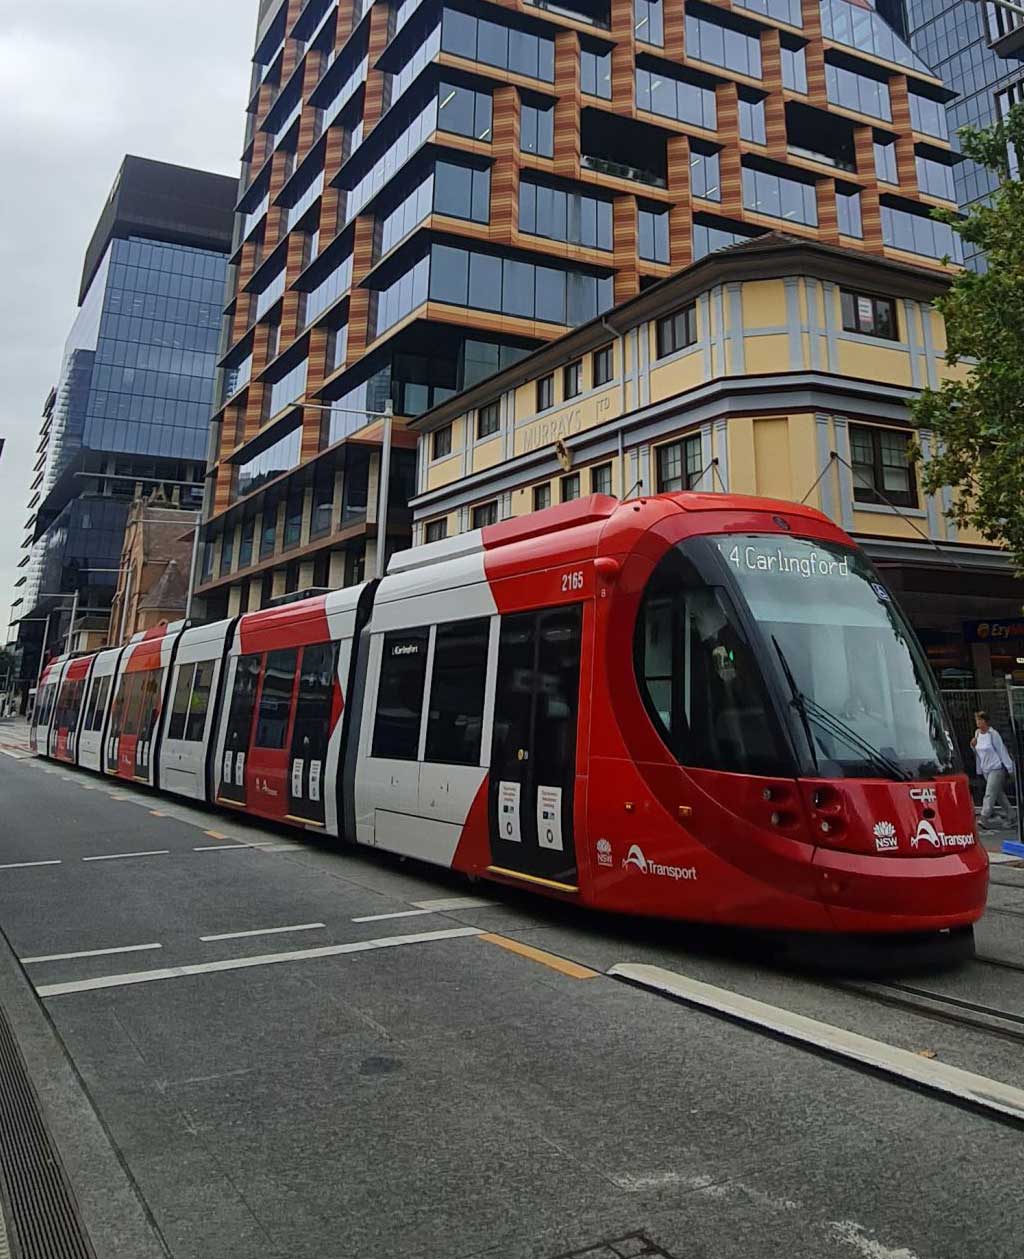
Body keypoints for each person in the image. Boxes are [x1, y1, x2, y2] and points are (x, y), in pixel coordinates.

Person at [971, 711, 1016, 829]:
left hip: (996, 768)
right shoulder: (977, 734)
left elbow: (1001, 750)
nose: (978, 723)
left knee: (990, 793)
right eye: (977, 720)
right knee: (998, 794)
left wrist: (1009, 767)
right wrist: (973, 746)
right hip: (986, 769)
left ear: (986, 721)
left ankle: (984, 817)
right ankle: (1012, 816)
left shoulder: (993, 734)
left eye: (980, 720)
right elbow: (978, 753)